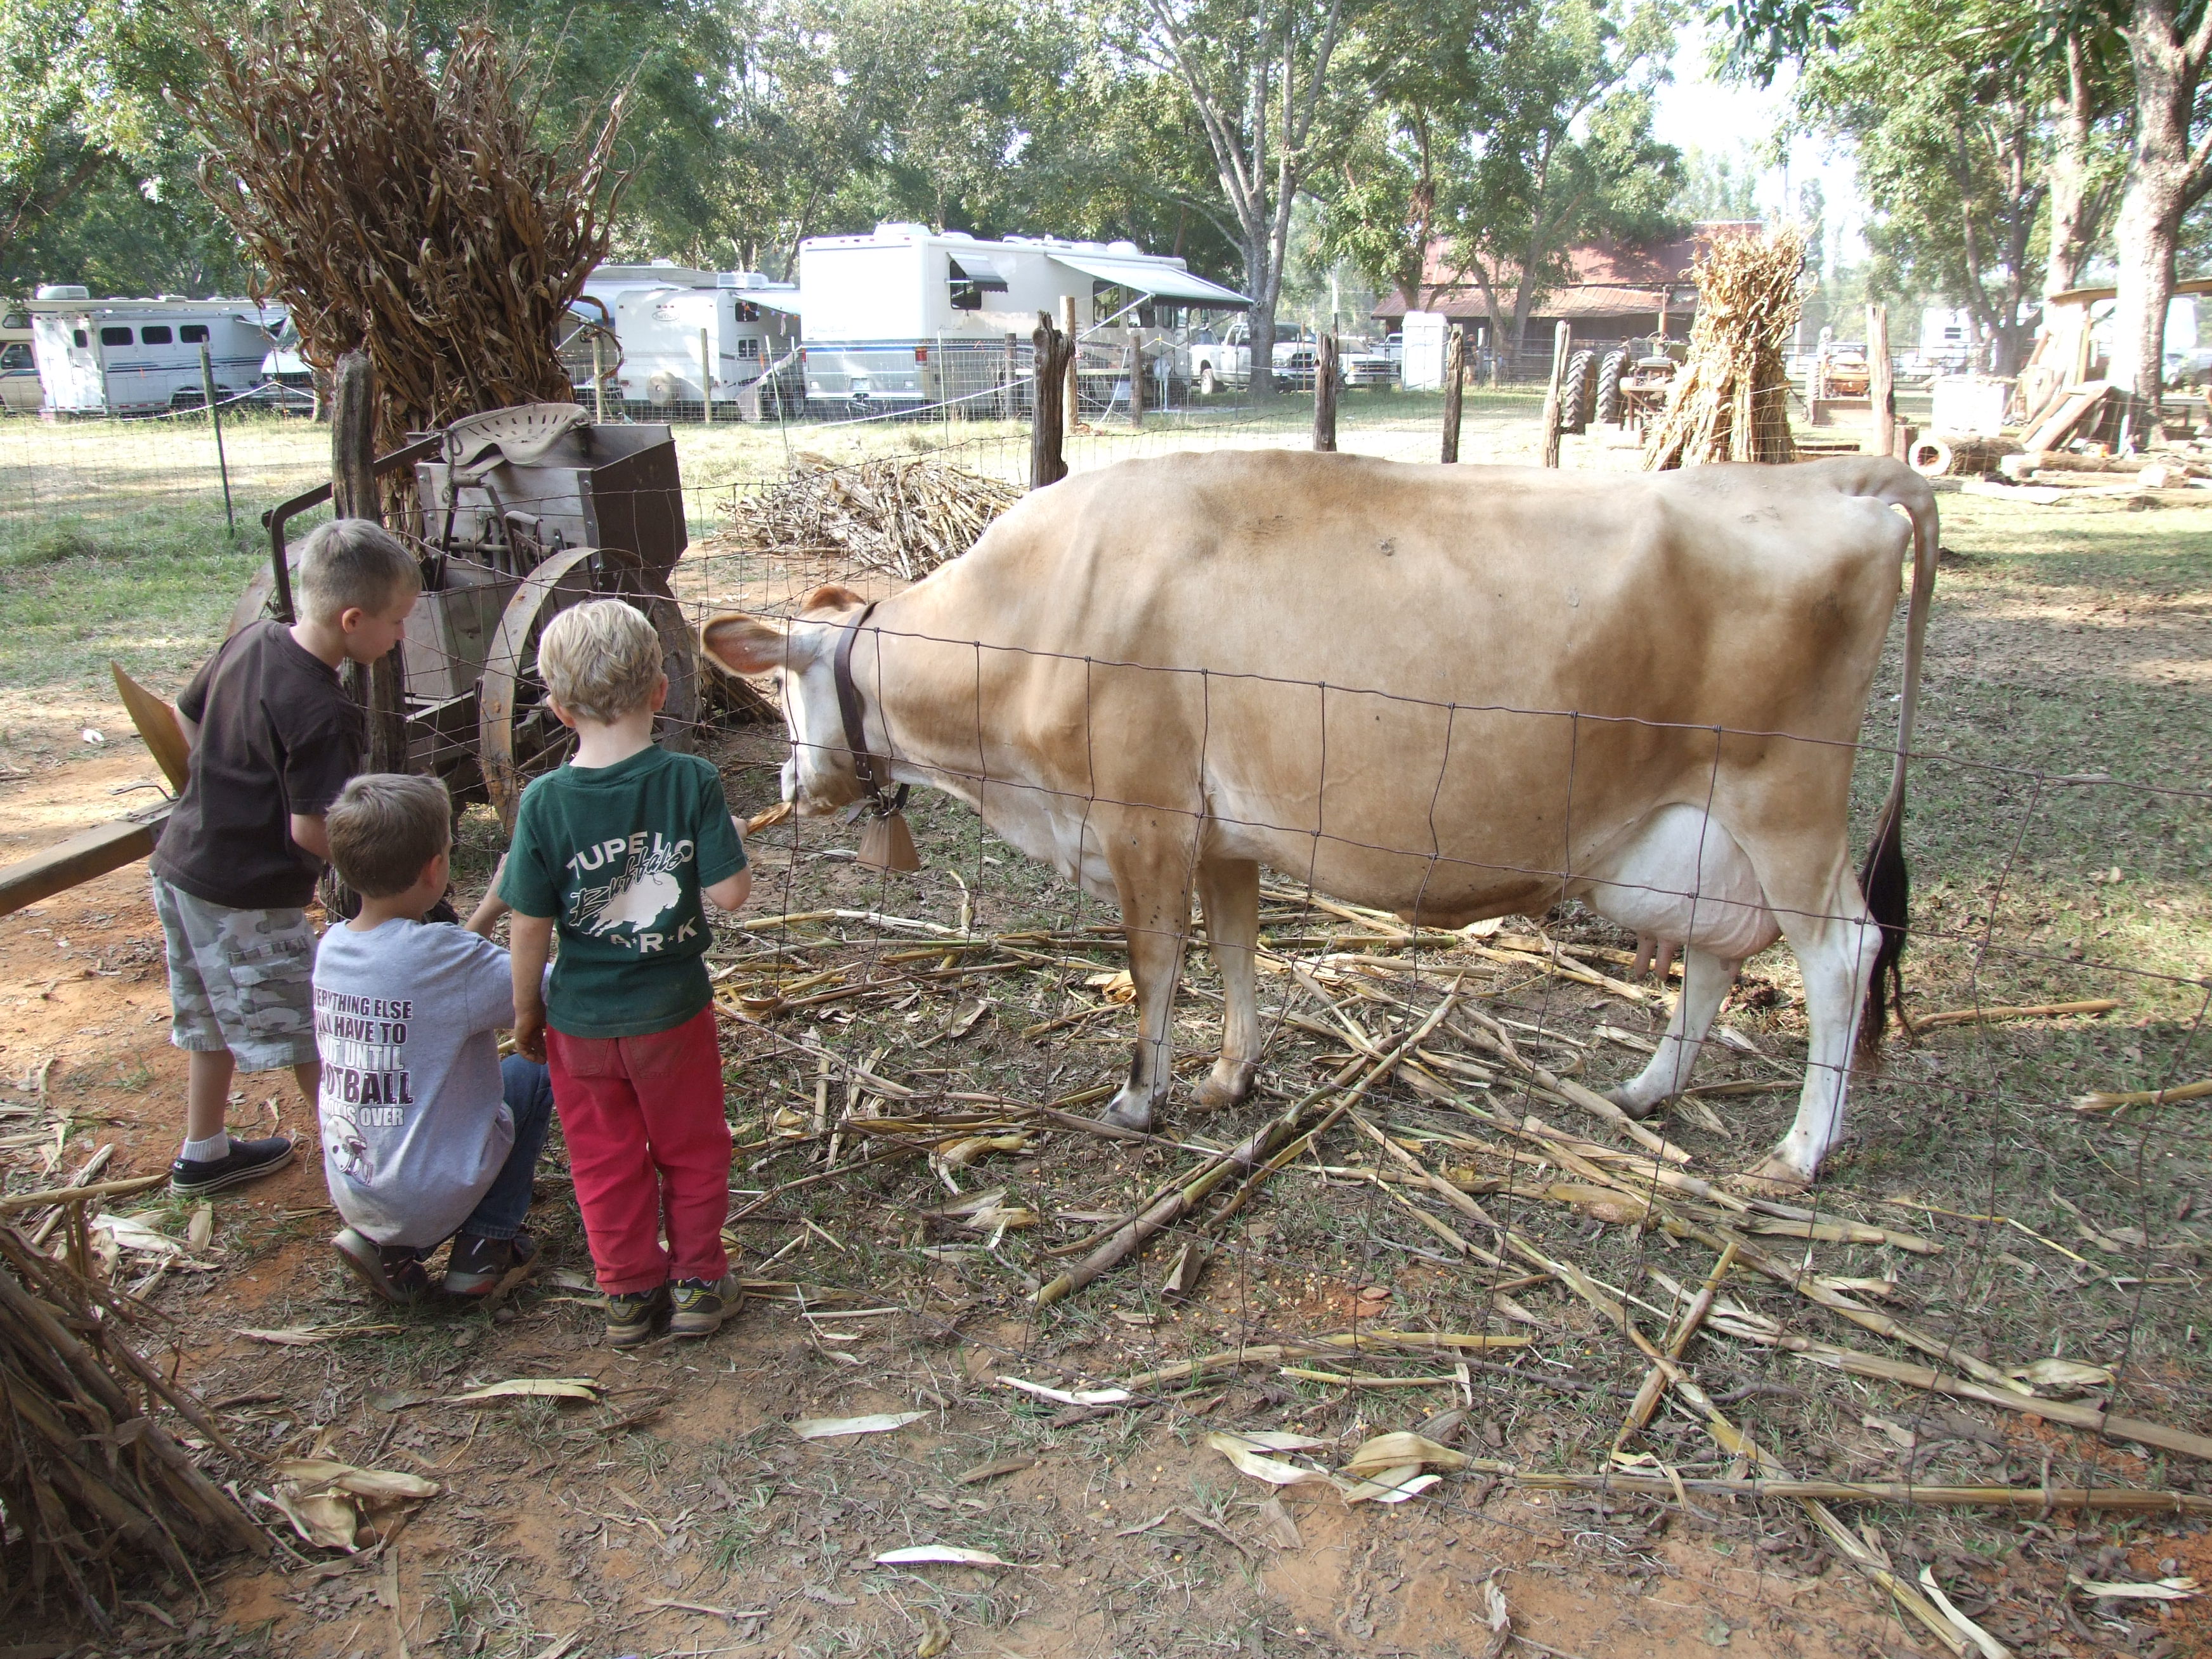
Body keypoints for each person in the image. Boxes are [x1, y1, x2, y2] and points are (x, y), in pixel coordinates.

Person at [497, 599, 751, 1344]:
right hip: (672, 1011)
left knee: (603, 1159)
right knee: (693, 1147)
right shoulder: (691, 780)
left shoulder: (543, 802)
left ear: (557, 708)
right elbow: (731, 894)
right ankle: (700, 1280)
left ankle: (629, 1294)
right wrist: (730, 842)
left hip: (579, 1021)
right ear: (661, 691)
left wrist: (525, 1014)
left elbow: (529, 925)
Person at [152, 519, 420, 1197]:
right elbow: (312, 831)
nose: (400, 637)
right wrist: (385, 882)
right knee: (311, 1032)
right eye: (396, 623)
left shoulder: (253, 641)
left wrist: (222, 782)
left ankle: (204, 1151)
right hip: (248, 896)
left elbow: (188, 717)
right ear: (353, 619)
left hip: (182, 866)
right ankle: (375, 1173)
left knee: (208, 1018)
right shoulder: (325, 711)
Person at [313, 772, 552, 1302]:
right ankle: (485, 1242)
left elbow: (441, 978)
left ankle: (390, 1247)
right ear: (436, 868)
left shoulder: (332, 948)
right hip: (428, 1188)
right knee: (536, 1072)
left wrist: (489, 908)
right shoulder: (443, 958)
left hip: (360, 1186)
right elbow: (547, 989)